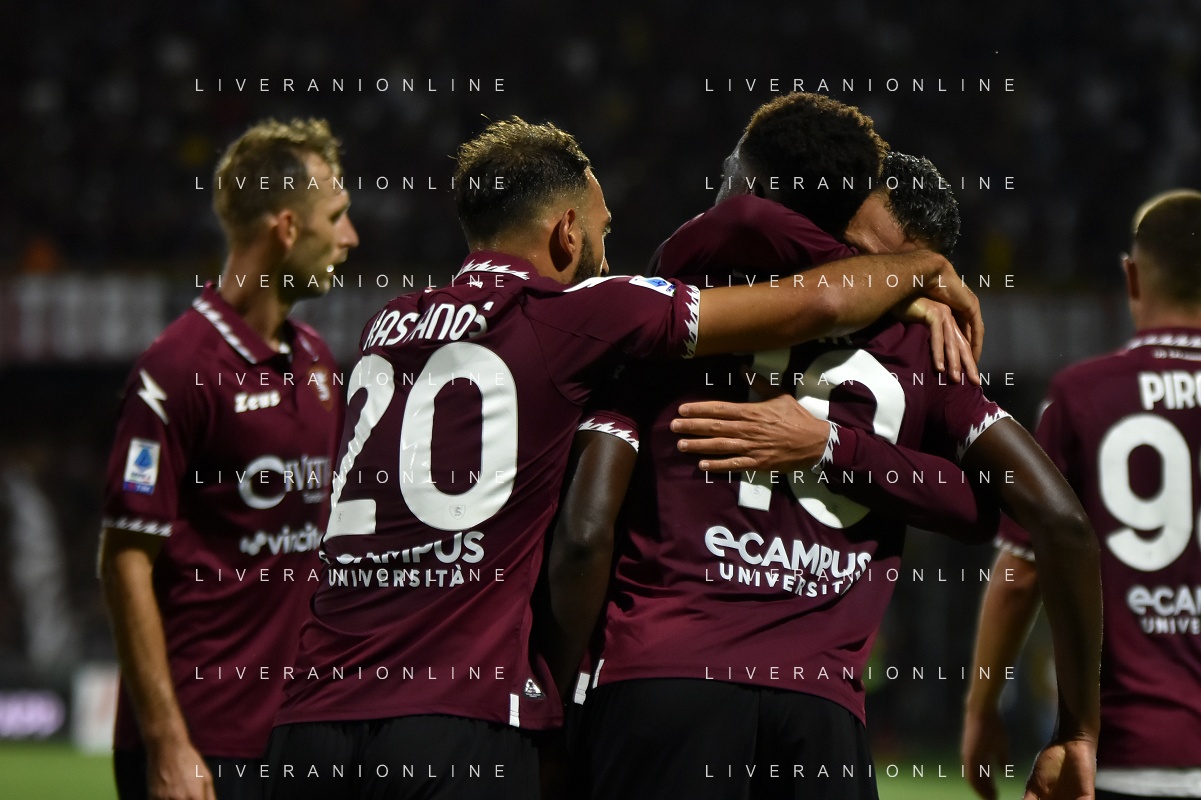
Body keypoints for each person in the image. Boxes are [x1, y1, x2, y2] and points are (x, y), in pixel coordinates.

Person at [264, 113, 979, 799]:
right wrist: (918, 271)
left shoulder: (386, 324)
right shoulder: (585, 312)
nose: (608, 256)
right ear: (567, 231)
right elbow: (816, 301)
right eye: (603, 232)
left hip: (310, 714)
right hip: (455, 711)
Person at [549, 130, 1101, 800]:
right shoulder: (910, 347)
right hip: (814, 712)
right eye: (841, 246)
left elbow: (1018, 515)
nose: (847, 269)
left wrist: (833, 446)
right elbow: (1036, 518)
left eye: (871, 260)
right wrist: (1078, 732)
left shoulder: (689, 303)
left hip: (669, 686)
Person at [99, 118, 358, 800]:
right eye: (336, 215)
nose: (350, 237)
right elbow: (125, 559)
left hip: (294, 737)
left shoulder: (318, 363)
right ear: (287, 227)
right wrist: (167, 742)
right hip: (201, 746)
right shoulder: (175, 370)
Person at [962, 190, 1201, 800]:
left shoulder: (1084, 394)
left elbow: (1021, 576)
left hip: (1125, 754)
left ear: (1133, 277)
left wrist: (982, 709)